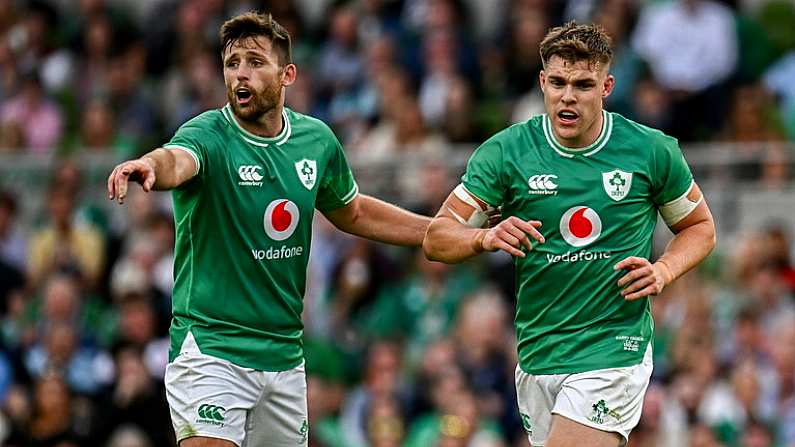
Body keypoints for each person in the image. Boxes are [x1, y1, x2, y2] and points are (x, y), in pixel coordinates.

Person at [106, 12, 429, 447]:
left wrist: (432, 231)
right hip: (212, 352)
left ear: (287, 74)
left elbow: (352, 212)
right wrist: (148, 165)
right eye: (232, 62)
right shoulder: (208, 134)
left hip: (283, 357)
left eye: (255, 62)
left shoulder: (315, 141)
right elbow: (177, 159)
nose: (241, 73)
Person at [423, 22, 716, 447]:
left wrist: (664, 269)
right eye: (558, 82)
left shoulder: (650, 151)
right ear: (542, 81)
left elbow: (700, 227)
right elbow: (437, 238)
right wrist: (483, 238)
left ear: (607, 86)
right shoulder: (506, 154)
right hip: (539, 354)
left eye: (583, 84)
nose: (568, 96)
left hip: (613, 350)